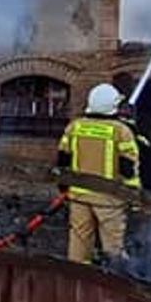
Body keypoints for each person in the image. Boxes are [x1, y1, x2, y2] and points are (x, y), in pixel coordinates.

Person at [55, 83, 141, 266]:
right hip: (109, 198)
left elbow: (62, 160)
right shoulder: (122, 131)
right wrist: (134, 197)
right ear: (113, 106)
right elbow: (128, 169)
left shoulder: (74, 127)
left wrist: (64, 188)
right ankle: (112, 282)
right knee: (112, 246)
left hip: (79, 196)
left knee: (79, 243)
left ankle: (77, 277)